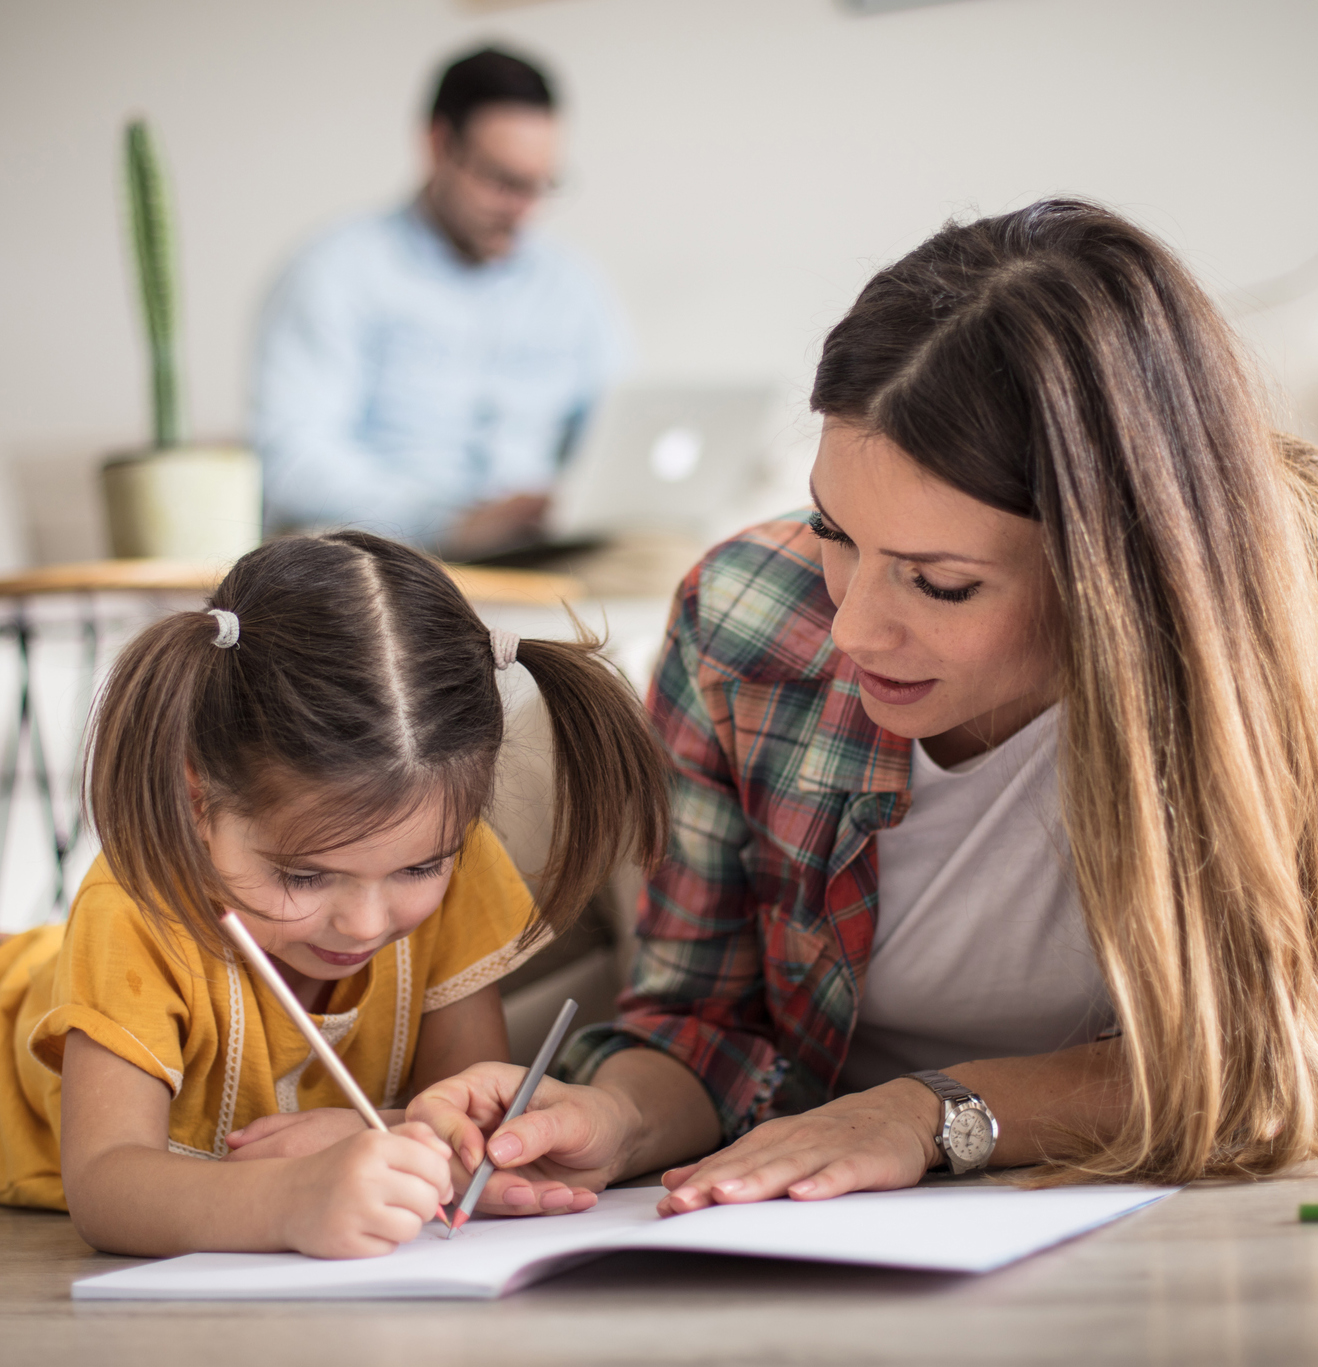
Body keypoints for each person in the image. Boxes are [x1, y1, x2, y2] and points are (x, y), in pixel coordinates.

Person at [404, 199, 1318, 1210]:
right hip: (830, 1204)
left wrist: (927, 1113)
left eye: (938, 582)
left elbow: (1276, 1057)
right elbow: (702, 1020)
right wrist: (613, 1115)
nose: (849, 631)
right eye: (835, 529)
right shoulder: (748, 614)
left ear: (1111, 567)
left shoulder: (1282, 637)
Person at [0, 530, 666, 1256]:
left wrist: (403, 1137)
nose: (366, 922)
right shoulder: (135, 908)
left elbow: (453, 1113)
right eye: (305, 875)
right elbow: (106, 1186)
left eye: (418, 869)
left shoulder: (462, 875)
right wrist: (293, 1198)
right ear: (197, 800)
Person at [253, 47, 627, 560]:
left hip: (542, 552)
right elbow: (291, 463)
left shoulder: (573, 285)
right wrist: (447, 523)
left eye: (539, 185)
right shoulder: (335, 270)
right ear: (438, 144)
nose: (523, 210)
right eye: (502, 182)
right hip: (390, 559)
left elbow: (617, 430)